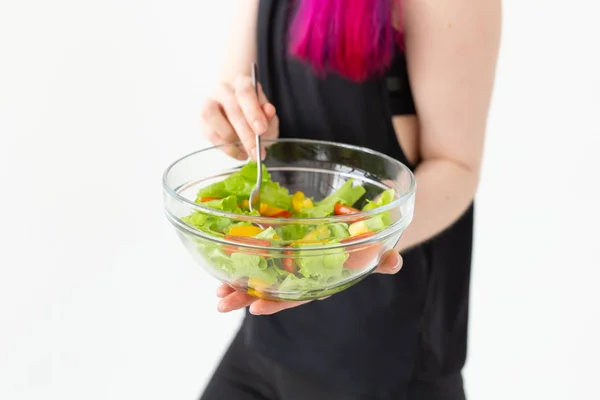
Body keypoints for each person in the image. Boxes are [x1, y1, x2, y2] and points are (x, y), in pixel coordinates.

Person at [199, 0, 501, 398]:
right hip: (270, 330)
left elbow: (456, 165)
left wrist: (351, 248)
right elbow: (244, 116)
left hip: (382, 352)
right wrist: (240, 126)